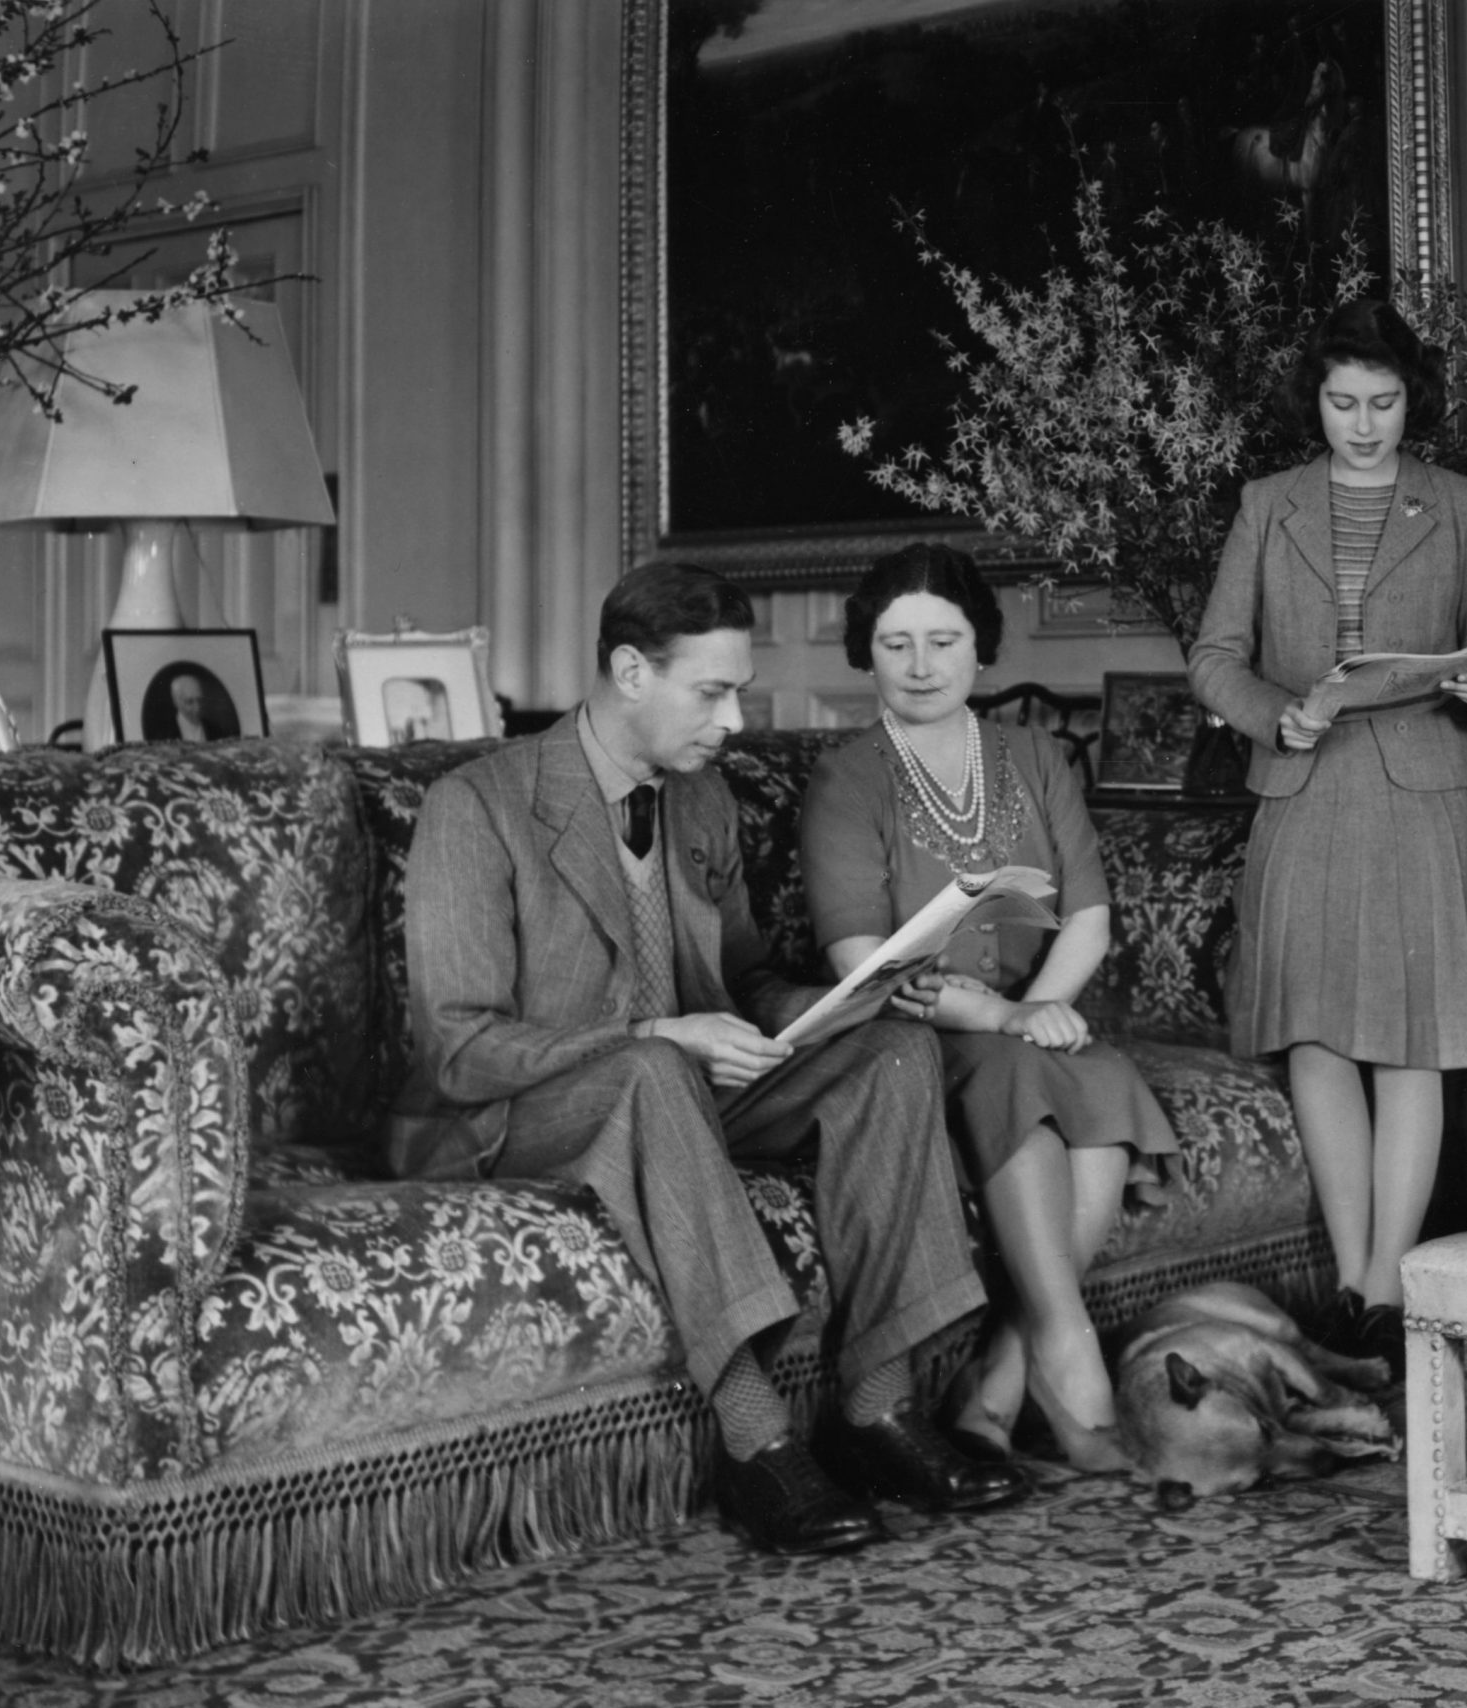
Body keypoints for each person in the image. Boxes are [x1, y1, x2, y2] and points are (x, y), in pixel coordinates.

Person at [389, 560, 1025, 1557]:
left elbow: (742, 978)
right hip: (518, 1111)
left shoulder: (699, 800)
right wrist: (651, 1034)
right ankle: (753, 1434)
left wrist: (842, 1004)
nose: (732, 721)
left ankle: (878, 1405)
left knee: (896, 1051)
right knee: (653, 1072)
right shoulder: (477, 806)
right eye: (713, 692)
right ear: (632, 671)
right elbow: (462, 1047)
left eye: (739, 693)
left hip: (677, 1093)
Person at [1187, 298, 1467, 1380]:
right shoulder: (1267, 502)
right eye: (1342, 403)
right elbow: (1214, 655)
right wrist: (1270, 713)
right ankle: (1350, 1274)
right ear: (1314, 400)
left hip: (1422, 787)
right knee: (1319, 1037)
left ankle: (1385, 1282)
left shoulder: (1459, 503)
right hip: (1305, 777)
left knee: (1412, 1039)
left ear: (1408, 399)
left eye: (1382, 403)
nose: (1363, 424)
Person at [800, 543, 1176, 1474]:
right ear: (867, 652)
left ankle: (1002, 1378)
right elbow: (862, 963)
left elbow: (1088, 913)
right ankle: (1069, 1353)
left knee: (1094, 1072)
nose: (921, 666)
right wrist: (1007, 1025)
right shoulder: (846, 777)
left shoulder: (1035, 754)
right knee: (1023, 1068)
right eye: (895, 645)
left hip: (1021, 1016)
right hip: (911, 1031)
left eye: (943, 640)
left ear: (980, 648)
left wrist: (1037, 1011)